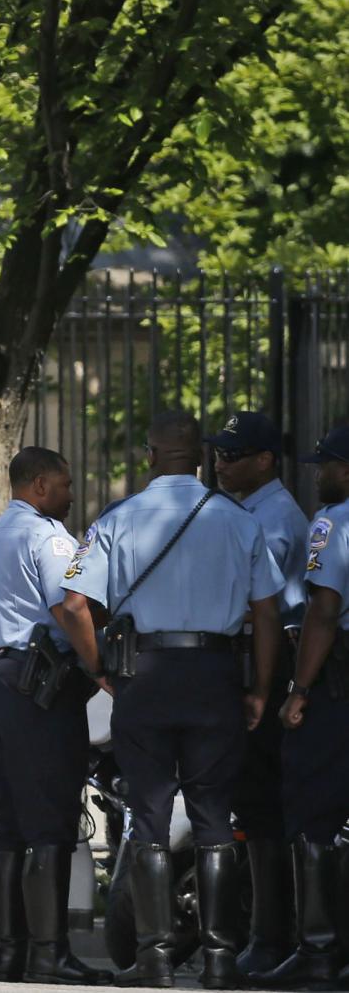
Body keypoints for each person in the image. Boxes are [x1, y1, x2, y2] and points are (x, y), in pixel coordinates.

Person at [55, 411, 285, 990]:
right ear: (201, 457)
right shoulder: (238, 521)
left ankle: (155, 957)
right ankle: (219, 958)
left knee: (151, 819)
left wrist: (99, 667)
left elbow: (75, 603)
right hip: (215, 677)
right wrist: (258, 687)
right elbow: (267, 613)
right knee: (213, 820)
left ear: (151, 456)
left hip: (146, 676)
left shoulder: (118, 518)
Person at [0, 447, 108, 985]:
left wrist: (6, 676)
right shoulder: (47, 537)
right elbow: (70, 606)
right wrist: (99, 668)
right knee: (50, 821)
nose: (72, 495)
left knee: (10, 826)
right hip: (39, 685)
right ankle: (50, 955)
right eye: (66, 485)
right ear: (40, 485)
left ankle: (10, 954)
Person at [212, 412, 312, 979]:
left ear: (266, 460)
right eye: (220, 454)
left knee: (264, 807)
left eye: (234, 455)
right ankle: (265, 935)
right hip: (253, 661)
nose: (221, 464)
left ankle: (272, 938)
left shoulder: (274, 518)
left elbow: (262, 604)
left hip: (271, 666)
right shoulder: (246, 512)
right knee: (252, 806)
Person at [255, 425, 349, 989]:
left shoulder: (331, 523)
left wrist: (300, 689)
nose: (319, 475)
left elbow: (322, 611)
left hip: (338, 685)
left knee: (313, 810)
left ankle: (318, 952)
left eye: (329, 465)